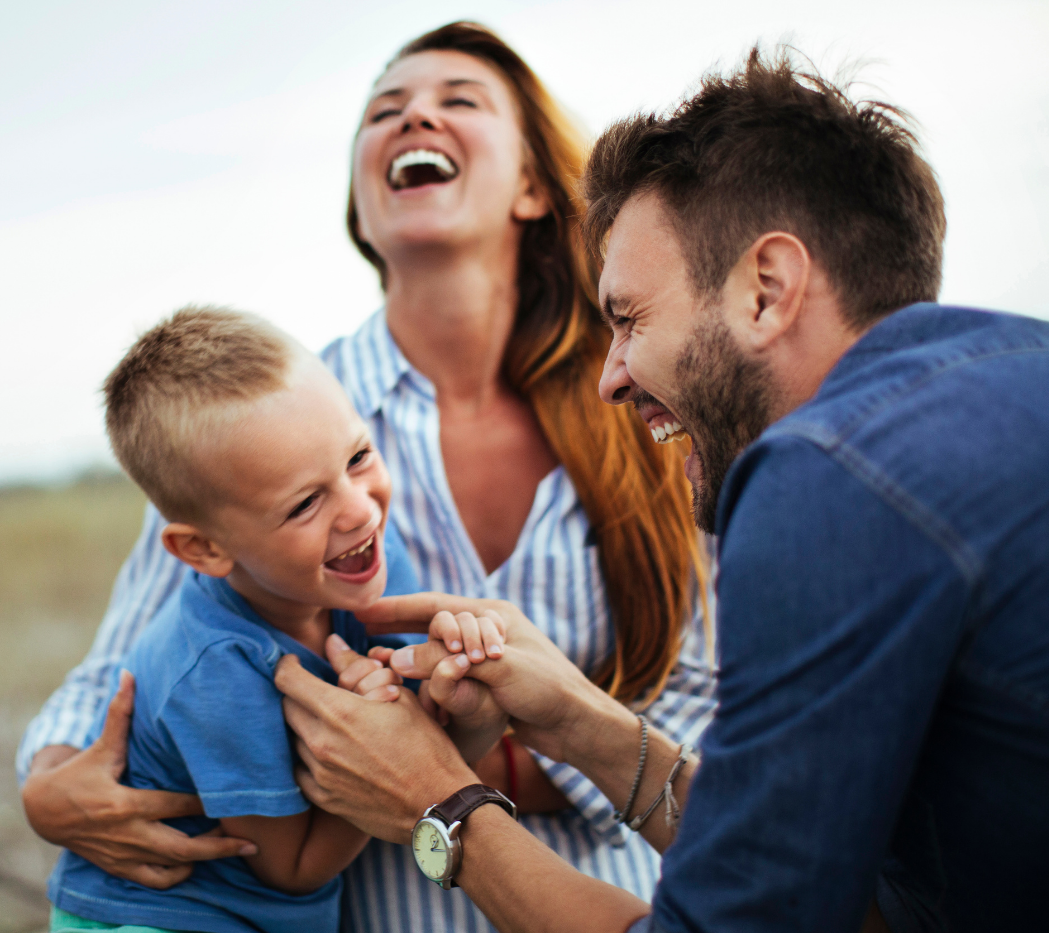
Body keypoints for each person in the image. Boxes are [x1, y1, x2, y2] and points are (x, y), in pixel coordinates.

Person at [270, 48, 1049, 933]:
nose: (610, 378)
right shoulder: (1046, 366)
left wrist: (439, 801)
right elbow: (859, 909)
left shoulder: (824, 476)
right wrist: (584, 720)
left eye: (628, 318)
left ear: (766, 292)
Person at [18, 22, 717, 933]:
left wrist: (441, 757)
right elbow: (126, 661)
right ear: (363, 200)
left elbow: (708, 706)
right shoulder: (259, 424)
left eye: (457, 100)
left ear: (535, 186)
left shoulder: (644, 403)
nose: (413, 113)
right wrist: (49, 783)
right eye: (383, 110)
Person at [48, 307, 507, 933]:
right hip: (158, 914)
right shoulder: (215, 669)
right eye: (305, 503)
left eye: (358, 457)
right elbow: (292, 868)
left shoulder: (368, 553)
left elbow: (428, 736)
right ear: (205, 550)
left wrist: (464, 675)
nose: (358, 510)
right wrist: (382, 737)